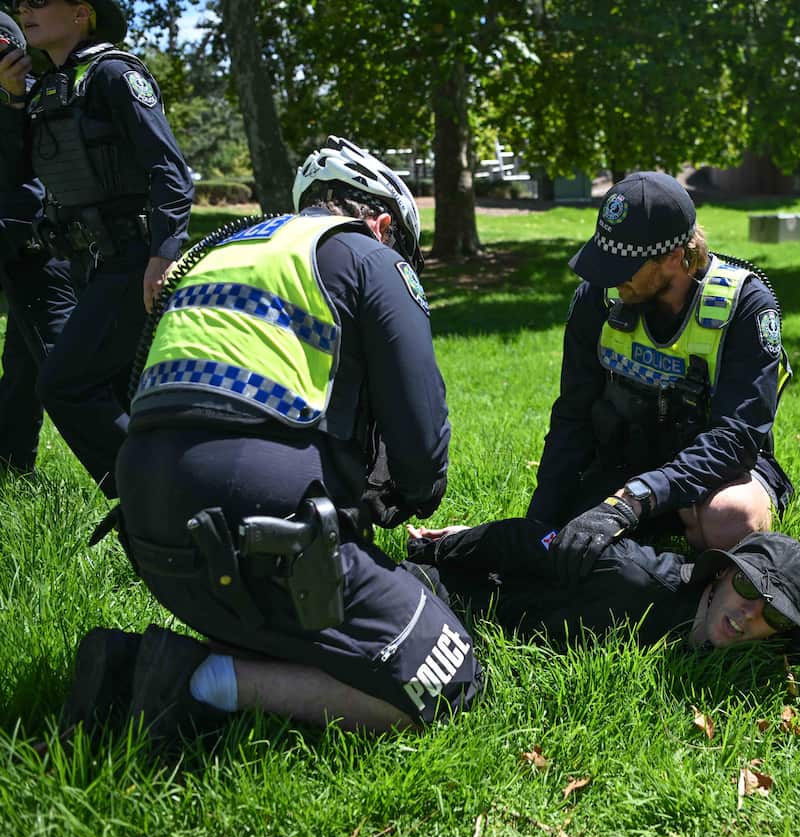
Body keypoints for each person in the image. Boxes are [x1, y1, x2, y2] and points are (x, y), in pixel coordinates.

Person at [58, 138, 479, 746]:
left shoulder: (221, 251)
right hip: (261, 535)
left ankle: (130, 669)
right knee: (448, 672)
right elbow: (421, 454)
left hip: (152, 540)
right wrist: (400, 498)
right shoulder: (368, 256)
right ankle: (199, 681)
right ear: (383, 224)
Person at [527, 171, 794, 586]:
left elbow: (737, 438)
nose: (612, 278)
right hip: (624, 461)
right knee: (562, 528)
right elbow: (573, 416)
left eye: (626, 267)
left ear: (675, 256)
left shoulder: (744, 305)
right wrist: (537, 523)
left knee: (730, 520)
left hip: (718, 472)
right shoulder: (597, 299)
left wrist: (633, 500)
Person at [0, 0, 193, 498]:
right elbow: (17, 175)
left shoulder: (113, 74)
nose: (24, 10)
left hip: (131, 261)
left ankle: (156, 498)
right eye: (20, 3)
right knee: (119, 393)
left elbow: (169, 171)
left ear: (82, 12)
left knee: (64, 385)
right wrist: (13, 100)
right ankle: (170, 506)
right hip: (88, 264)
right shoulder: (46, 90)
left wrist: (164, 254)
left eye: (40, 1)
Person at [406, 519, 800, 662]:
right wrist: (436, 548)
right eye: (748, 585)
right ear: (719, 574)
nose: (751, 613)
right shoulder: (631, 574)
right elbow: (526, 539)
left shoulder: (716, 661)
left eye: (773, 614)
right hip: (452, 597)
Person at [0, 13, 75, 472]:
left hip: (31, 236)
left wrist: (9, 100)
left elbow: (22, 174)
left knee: (57, 363)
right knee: (28, 365)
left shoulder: (33, 99)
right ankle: (11, 467)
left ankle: (139, 475)